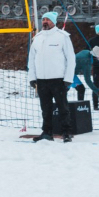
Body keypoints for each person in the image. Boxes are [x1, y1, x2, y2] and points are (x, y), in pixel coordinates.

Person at [28, 11, 76, 142]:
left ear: (54, 22)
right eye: (43, 19)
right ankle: (47, 132)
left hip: (58, 80)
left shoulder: (62, 37)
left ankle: (66, 132)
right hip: (42, 80)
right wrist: (32, 77)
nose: (45, 21)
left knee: (63, 108)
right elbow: (31, 59)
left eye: (48, 19)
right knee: (45, 108)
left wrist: (68, 78)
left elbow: (71, 59)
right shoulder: (37, 38)